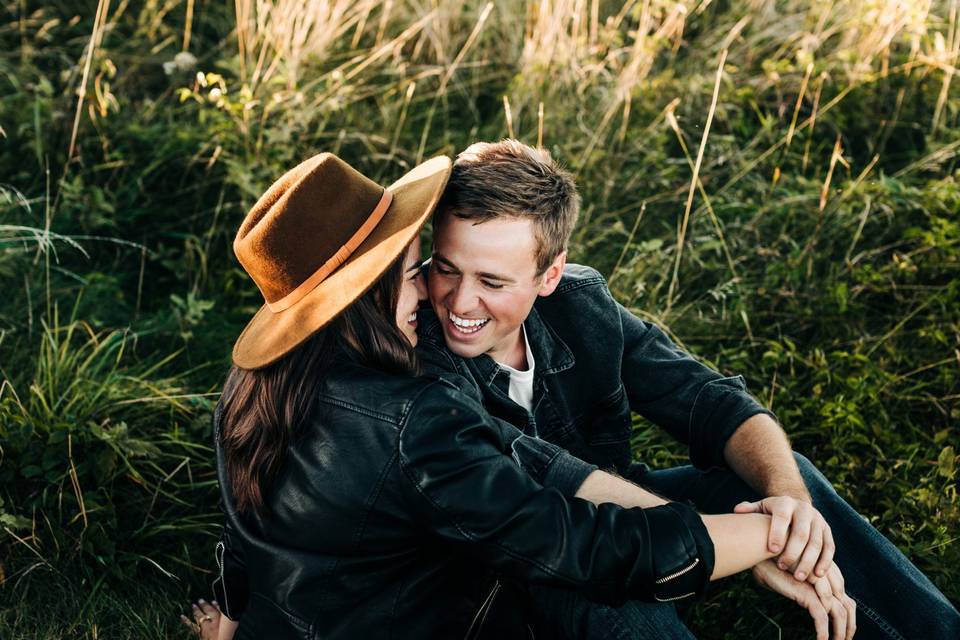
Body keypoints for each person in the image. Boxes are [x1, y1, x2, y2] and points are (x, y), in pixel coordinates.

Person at [183, 151, 830, 639]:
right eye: (425, 272)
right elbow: (573, 542)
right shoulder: (412, 410)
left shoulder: (256, 383)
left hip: (348, 608)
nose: (439, 300)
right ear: (367, 294)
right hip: (479, 597)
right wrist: (765, 540)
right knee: (592, 589)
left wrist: (241, 617)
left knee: (789, 484)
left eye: (424, 267)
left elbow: (247, 532)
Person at [410, 139, 960, 639]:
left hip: (627, 520)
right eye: (447, 269)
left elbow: (711, 400)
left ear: (549, 276)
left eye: (492, 282)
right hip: (519, 573)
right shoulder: (421, 359)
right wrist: (736, 542)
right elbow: (554, 491)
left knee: (788, 480)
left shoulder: (581, 304)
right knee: (606, 584)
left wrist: (787, 512)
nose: (459, 303)